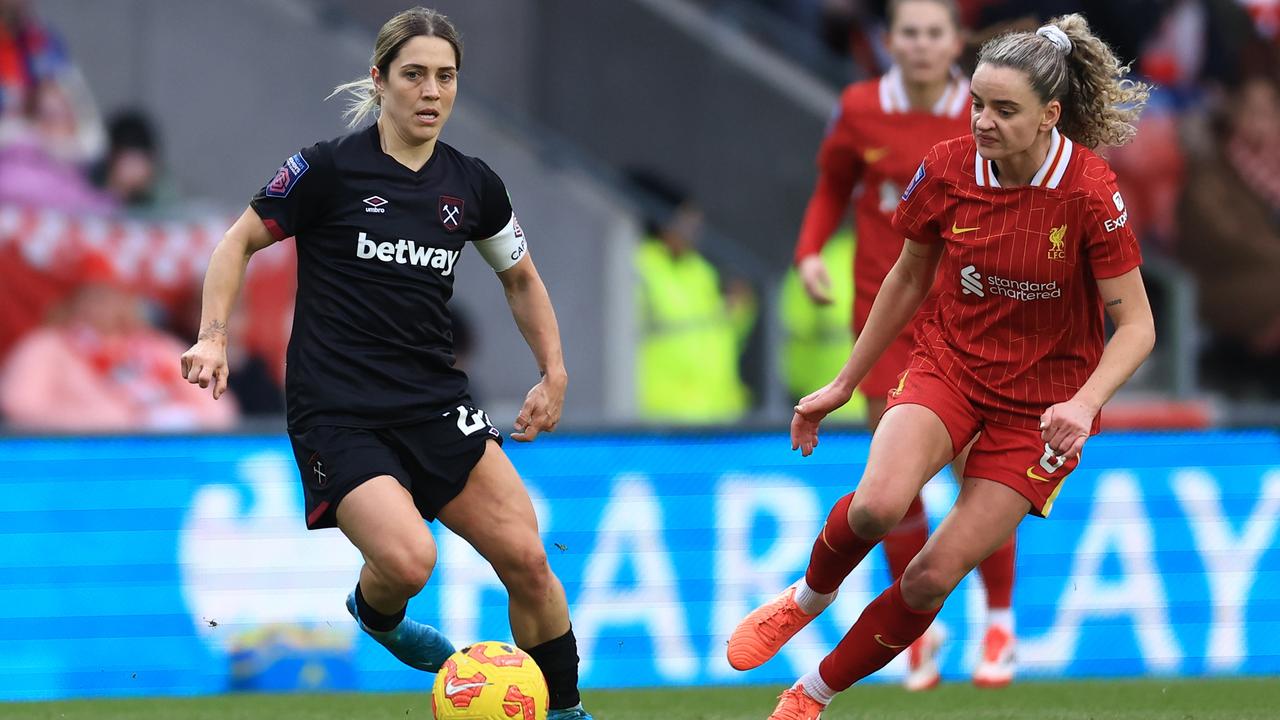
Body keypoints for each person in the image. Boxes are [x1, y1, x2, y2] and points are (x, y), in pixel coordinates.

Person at [729, 14, 1155, 718]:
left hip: (1040, 410)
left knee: (929, 578)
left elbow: (1137, 326)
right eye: (979, 104)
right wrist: (842, 383)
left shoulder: (1088, 192)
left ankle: (812, 695)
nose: (983, 122)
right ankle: (805, 599)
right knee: (875, 507)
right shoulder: (950, 166)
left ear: (1051, 116)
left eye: (1004, 110)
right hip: (950, 367)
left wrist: (1084, 405)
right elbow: (906, 275)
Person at [178, 9, 593, 719]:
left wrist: (553, 371)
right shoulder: (328, 168)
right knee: (409, 562)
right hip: (337, 411)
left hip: (434, 402)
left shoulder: (474, 186)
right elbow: (235, 245)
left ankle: (565, 711)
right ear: (380, 80)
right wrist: (213, 336)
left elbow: (521, 279)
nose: (432, 91)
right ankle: (378, 615)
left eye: (446, 77)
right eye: (414, 75)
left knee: (528, 560)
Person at [782, 0, 1019, 689]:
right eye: (908, 33)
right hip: (883, 316)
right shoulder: (858, 107)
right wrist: (809, 253)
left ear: (958, 41)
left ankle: (999, 621)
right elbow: (832, 186)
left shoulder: (985, 114)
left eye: (933, 33)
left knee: (982, 478)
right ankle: (918, 634)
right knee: (894, 486)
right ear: (888, 42)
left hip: (969, 318)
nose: (919, 46)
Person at [0, 252, 236, 432]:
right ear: (72, 301)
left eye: (112, 297)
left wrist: (180, 420)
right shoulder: (46, 346)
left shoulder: (157, 346)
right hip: (86, 460)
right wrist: (112, 421)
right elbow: (20, 406)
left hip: (173, 455)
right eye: (94, 298)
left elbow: (217, 409)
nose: (103, 307)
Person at [632, 172, 757, 424]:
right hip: (664, 420)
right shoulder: (638, 266)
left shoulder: (701, 271)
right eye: (686, 218)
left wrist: (739, 313)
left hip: (717, 416)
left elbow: (714, 335)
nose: (694, 228)